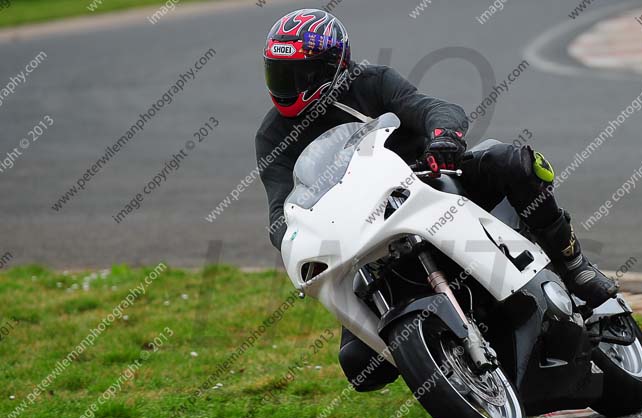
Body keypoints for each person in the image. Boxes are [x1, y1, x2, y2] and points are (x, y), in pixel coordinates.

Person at [257, 9, 618, 391]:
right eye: (278, 73)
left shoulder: (371, 82)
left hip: (431, 181)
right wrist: (294, 238)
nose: (287, 85)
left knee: (511, 161)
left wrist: (443, 137)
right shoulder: (272, 135)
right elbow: (281, 210)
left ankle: (574, 263)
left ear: (335, 66)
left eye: (299, 74)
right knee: (360, 362)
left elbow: (430, 107)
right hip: (363, 232)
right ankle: (451, 366)